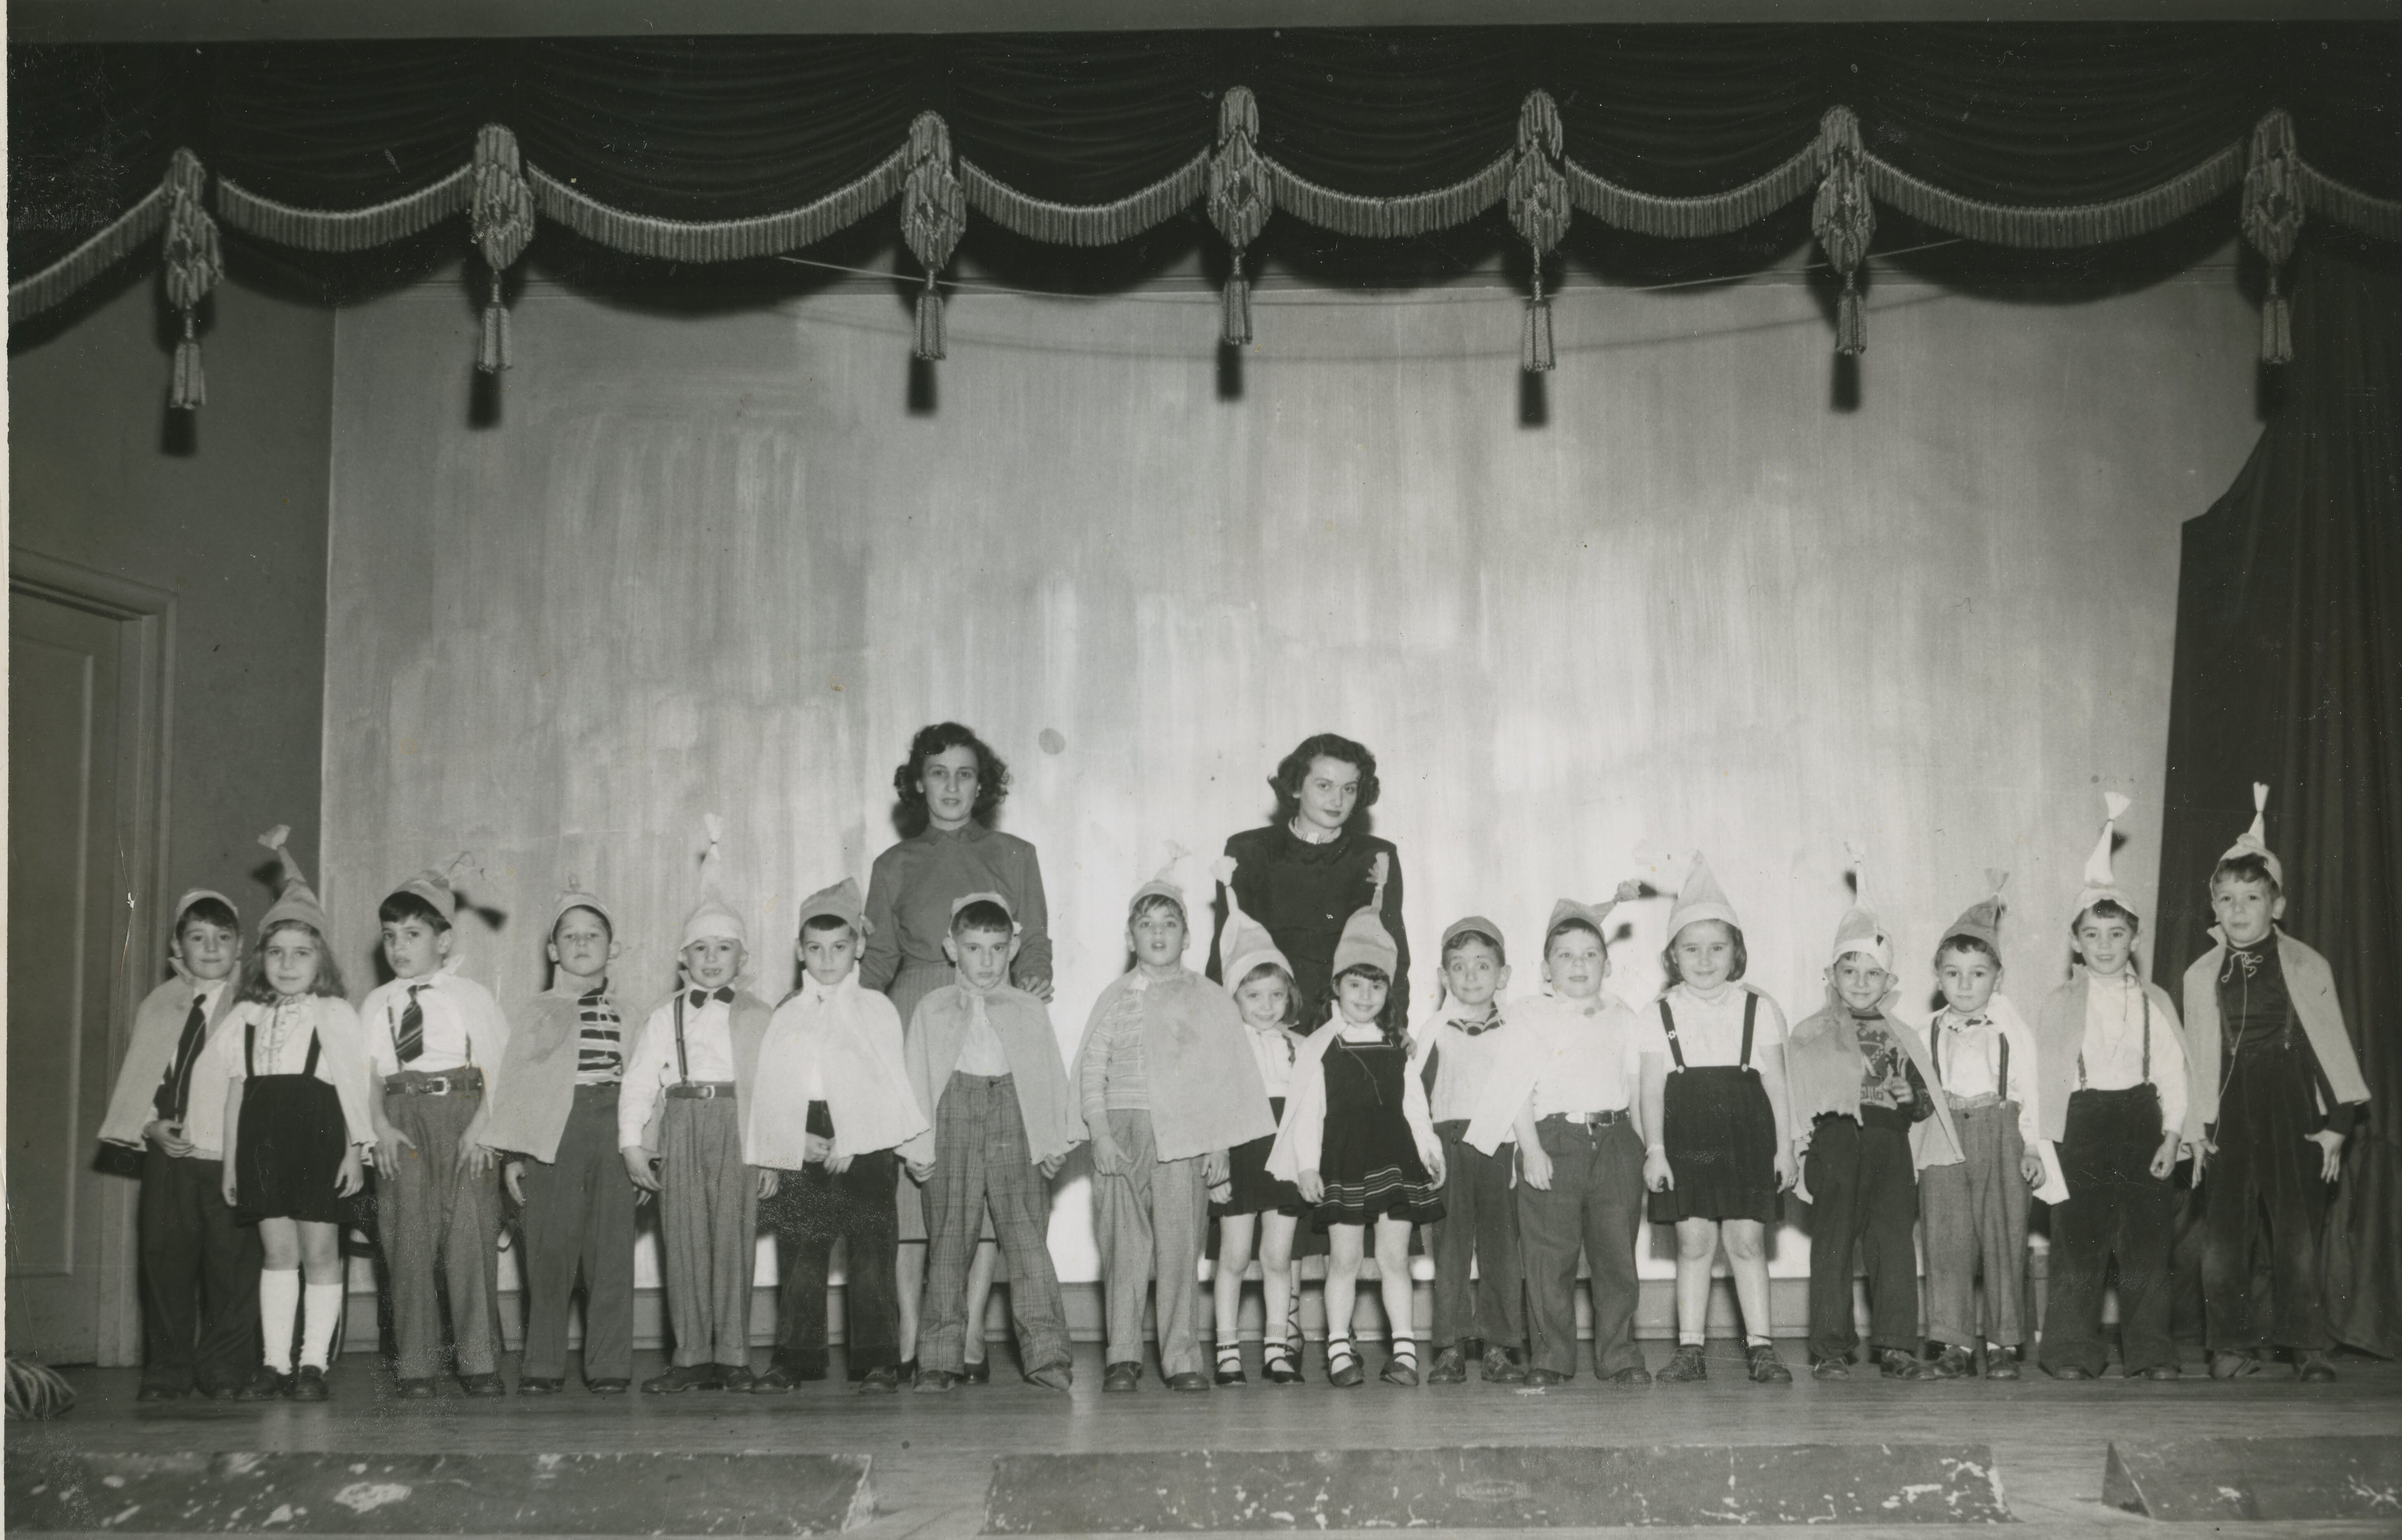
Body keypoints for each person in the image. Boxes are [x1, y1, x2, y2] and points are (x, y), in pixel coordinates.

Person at [863, 723, 1050, 1381]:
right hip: (917, 1014)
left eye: (965, 773)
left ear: (982, 783)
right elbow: (877, 960)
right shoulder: (894, 865)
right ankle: (917, 1337)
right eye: (937, 773)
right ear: (918, 782)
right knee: (919, 1193)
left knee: (994, 1186)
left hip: (995, 1027)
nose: (951, 786)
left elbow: (1036, 948)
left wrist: (1028, 995)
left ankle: (971, 1333)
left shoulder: (1016, 855)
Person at [2181, 784, 2370, 1383]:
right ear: (2214, 906)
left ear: (2277, 905)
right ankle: (2229, 1347)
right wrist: (2198, 1131)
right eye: (2227, 899)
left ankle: (2306, 1344)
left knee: (2298, 1233)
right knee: (2225, 1236)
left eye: (2253, 898)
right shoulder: (2200, 974)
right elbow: (2194, 1061)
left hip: (2293, 1103)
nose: (2239, 911)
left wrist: (2338, 1126)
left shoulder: (2309, 964)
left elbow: (2332, 1045)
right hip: (2228, 1108)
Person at [1075, 856, 1275, 1394]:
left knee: (1181, 1247)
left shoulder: (1208, 998)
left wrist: (1219, 1146)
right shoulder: (1116, 1000)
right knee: (1123, 1247)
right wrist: (1099, 1131)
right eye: (1147, 924)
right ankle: (1121, 1354)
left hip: (1186, 1138)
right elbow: (1094, 1067)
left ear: (1187, 935)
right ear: (1130, 934)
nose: (1158, 934)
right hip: (1122, 1135)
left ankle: (1183, 1356)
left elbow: (1222, 1079)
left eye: (1169, 925)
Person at [2033, 795, 2194, 1382]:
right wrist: (2041, 1144)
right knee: (2078, 1244)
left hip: (2142, 1118)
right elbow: (2037, 1079)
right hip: (2082, 1123)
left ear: (2135, 937)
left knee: (2148, 1247)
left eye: (2117, 933)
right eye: (2093, 934)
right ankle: (2072, 1351)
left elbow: (2175, 1072)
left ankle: (2152, 1352)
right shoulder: (2058, 1005)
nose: (2105, 945)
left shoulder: (2155, 1002)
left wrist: (2174, 1134)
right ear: (2076, 941)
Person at [1267, 858, 1444, 1389]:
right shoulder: (1321, 1047)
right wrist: (1306, 1166)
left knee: (1394, 1259)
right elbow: (1308, 1113)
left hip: (1394, 1157)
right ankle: (1340, 1349)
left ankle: (1405, 1351)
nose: (1365, 996)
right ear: (1337, 987)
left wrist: (1430, 1149)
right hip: (1342, 1158)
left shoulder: (1398, 1048)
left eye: (1376, 986)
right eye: (1355, 985)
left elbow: (1416, 1108)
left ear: (1389, 991)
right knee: (1343, 1260)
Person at [748, 879, 930, 1394]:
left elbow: (892, 1085)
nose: (827, 960)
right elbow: (772, 1089)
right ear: (799, 952)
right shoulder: (787, 1014)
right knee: (801, 1250)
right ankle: (795, 1357)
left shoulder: (878, 1010)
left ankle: (877, 1359)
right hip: (805, 1135)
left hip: (867, 1144)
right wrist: (790, 1141)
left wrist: (858, 1138)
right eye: (815, 949)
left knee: (872, 1253)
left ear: (860, 948)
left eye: (839, 948)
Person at [618, 817, 776, 1394]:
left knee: (734, 1238)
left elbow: (775, 1090)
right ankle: (689, 1356)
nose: (713, 959)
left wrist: (772, 1156)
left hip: (740, 1126)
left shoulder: (761, 1016)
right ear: (684, 961)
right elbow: (639, 1081)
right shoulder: (666, 1016)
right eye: (701, 950)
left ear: (742, 958)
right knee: (682, 1237)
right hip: (683, 1123)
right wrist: (633, 1142)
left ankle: (733, 1354)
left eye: (725, 949)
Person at [215, 828, 374, 1401]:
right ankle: (275, 1364)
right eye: (276, 952)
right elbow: (237, 1092)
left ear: (321, 960)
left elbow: (355, 1090)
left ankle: (313, 1365)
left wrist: (356, 1151)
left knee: (321, 1252)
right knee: (278, 1253)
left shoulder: (335, 1014)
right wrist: (232, 1162)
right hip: (261, 1141)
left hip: (320, 1137)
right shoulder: (246, 1016)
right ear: (261, 959)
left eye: (301, 953)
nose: (287, 964)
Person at [1466, 898, 1650, 1387]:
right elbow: (1516, 1086)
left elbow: (1637, 1088)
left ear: (1607, 965)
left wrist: (1647, 1149)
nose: (1578, 965)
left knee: (1617, 1254)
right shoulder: (1529, 1015)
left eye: (1590, 955)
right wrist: (1531, 1149)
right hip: (1554, 1138)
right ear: (1546, 969)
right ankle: (1551, 1355)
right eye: (1565, 956)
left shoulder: (1625, 1015)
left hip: (1615, 1140)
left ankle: (1620, 1355)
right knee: (1549, 1255)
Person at [904, 893, 1080, 1393]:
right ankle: (938, 1358)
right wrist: (919, 1147)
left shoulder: (1028, 1009)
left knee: (1026, 1240)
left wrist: (1052, 1142)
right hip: (951, 1113)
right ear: (950, 947)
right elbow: (916, 1078)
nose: (986, 961)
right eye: (974, 948)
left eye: (997, 949)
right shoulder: (932, 1008)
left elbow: (1048, 1076)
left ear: (1014, 948)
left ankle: (1047, 1356)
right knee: (949, 1238)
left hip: (1014, 1114)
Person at [1785, 852, 1951, 1382]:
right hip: (1835, 1142)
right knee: (1833, 1244)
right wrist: (1801, 1150)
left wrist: (1910, 1095)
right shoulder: (1809, 1033)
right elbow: (1794, 1096)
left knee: (1894, 1244)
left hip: (1889, 1144)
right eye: (1849, 970)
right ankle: (1831, 1348)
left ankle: (1897, 1346)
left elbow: (1928, 1103)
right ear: (1830, 974)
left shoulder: (1904, 1034)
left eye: (1872, 973)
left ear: (1889, 980)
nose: (1860, 981)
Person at [1640, 855, 1797, 1386]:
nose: (1704, 960)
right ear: (1672, 956)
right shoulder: (1659, 1013)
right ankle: (1690, 1349)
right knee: (1693, 1244)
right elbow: (1650, 1088)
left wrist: (1786, 1148)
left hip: (1747, 1137)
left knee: (1748, 1243)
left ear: (1737, 953)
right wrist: (1656, 1151)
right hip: (1686, 1139)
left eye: (1717, 948)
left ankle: (1762, 1348)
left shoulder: (1758, 1007)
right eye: (1691, 949)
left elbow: (1777, 1083)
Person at [98, 884, 256, 1401]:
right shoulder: (160, 1004)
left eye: (222, 937)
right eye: (197, 937)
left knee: (231, 1265)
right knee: (165, 1259)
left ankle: (225, 1367)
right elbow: (142, 1076)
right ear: (178, 946)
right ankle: (168, 1367)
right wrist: (149, 1126)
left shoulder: (253, 1007)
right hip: (172, 1155)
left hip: (230, 1156)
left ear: (240, 946)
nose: (210, 948)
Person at [486, 880, 638, 1395]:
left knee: (611, 1252)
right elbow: (515, 1084)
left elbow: (646, 1082)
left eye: (593, 934)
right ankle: (543, 1364)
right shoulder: (536, 1011)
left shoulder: (629, 1013)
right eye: (569, 936)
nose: (581, 943)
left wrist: (646, 1150)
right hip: (554, 1135)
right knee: (549, 1252)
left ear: (611, 948)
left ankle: (610, 1364)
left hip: (615, 1130)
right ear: (553, 949)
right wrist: (512, 1153)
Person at [1916, 874, 2056, 1380]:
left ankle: (2003, 1343)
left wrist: (2034, 1148)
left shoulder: (2011, 1031)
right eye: (1953, 974)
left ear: (1999, 977)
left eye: (1978, 973)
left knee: (2004, 1237)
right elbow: (1915, 1092)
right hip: (1945, 1133)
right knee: (1946, 1239)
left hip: (2001, 1131)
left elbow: (2032, 1089)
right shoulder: (1927, 1029)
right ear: (1937, 977)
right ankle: (1951, 1342)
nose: (1965, 984)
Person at [1210, 733, 1408, 1035]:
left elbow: (1395, 954)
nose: (1338, 800)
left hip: (1349, 1025)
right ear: (1295, 787)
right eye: (1324, 786)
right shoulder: (1250, 851)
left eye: (1350, 789)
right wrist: (1219, 1030)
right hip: (1268, 1022)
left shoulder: (1375, 856)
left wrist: (1397, 1029)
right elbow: (1226, 952)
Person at [1408, 914, 1530, 1384]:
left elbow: (1526, 1093)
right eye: (1459, 966)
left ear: (1503, 975)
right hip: (1450, 1148)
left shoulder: (1516, 1030)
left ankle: (1499, 1347)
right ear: (1443, 976)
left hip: (1500, 1145)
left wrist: (1522, 1152)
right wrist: (1427, 1149)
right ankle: (1451, 1347)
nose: (1471, 976)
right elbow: (1414, 1098)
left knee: (1502, 1248)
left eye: (1483, 965)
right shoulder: (1433, 1030)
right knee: (1452, 1249)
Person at [1206, 865, 1311, 1386]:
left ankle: (1277, 1350)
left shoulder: (1300, 1047)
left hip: (1286, 1156)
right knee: (1234, 1255)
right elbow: (1218, 1107)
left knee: (1277, 1256)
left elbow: (1311, 1112)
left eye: (1275, 995)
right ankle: (1227, 1349)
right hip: (1242, 1153)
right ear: (1234, 999)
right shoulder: (1228, 1046)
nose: (1267, 1006)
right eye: (1253, 997)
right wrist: (1219, 1163)